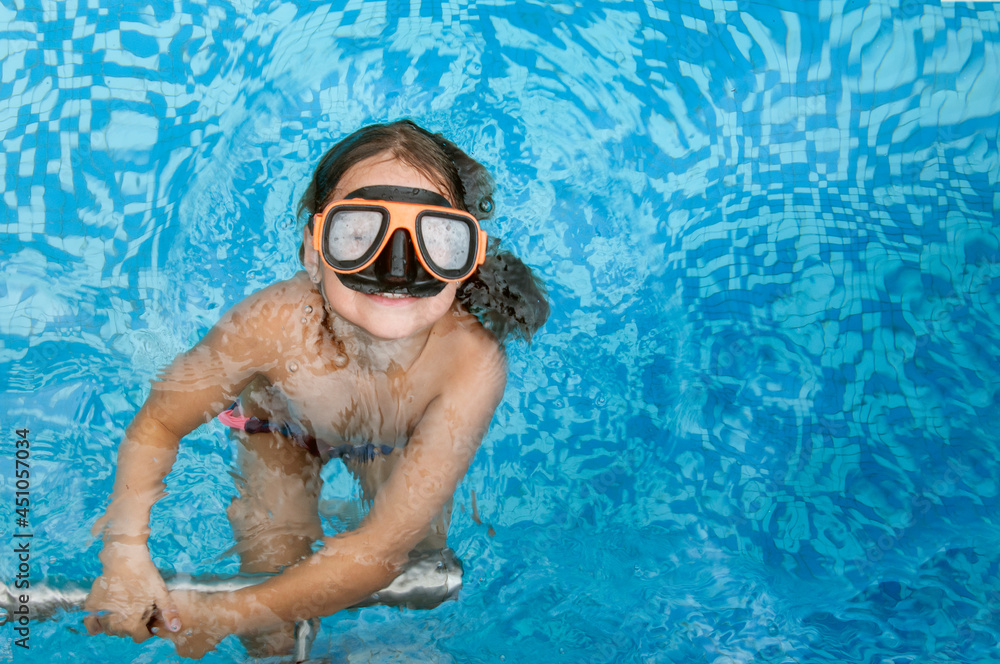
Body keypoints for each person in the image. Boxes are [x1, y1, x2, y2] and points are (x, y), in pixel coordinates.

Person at [84, 119, 548, 658]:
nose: (397, 267)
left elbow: (377, 556)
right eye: (358, 234)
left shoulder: (470, 364)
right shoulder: (272, 322)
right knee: (271, 595)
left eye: (436, 241)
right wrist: (123, 553)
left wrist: (224, 611)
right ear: (314, 249)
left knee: (416, 563)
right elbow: (161, 422)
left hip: (394, 443)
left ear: (465, 260)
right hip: (281, 431)